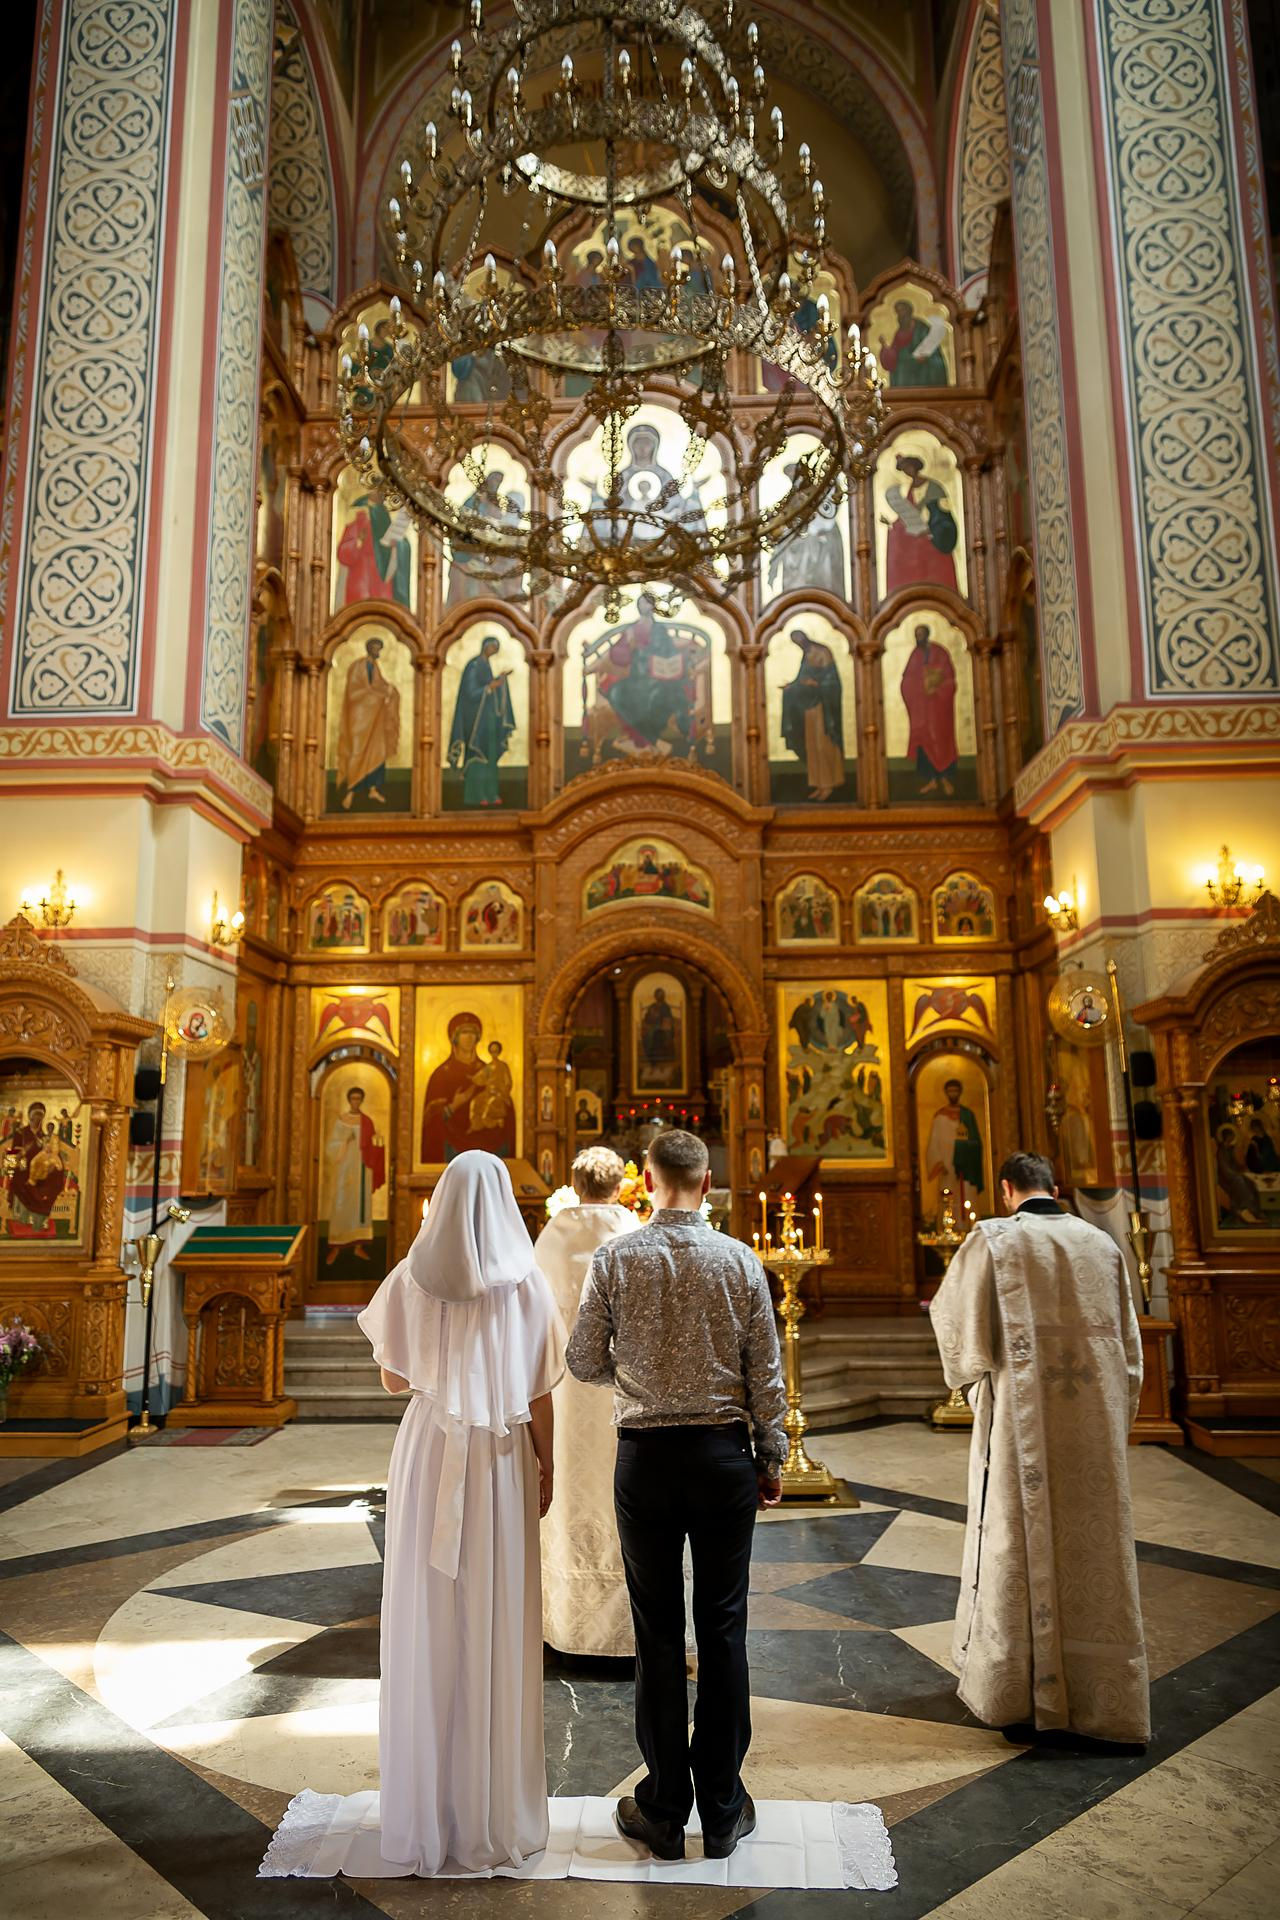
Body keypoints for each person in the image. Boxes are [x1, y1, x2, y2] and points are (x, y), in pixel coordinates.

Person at [260, 1153, 566, 1879]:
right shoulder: (526, 1283)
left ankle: (425, 1816)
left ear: (442, 1201)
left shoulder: (410, 1274)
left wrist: (442, 1362)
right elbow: (542, 1389)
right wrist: (546, 1464)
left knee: (429, 1616)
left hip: (430, 1450)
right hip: (499, 1454)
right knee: (495, 1615)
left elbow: (395, 1376)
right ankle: (494, 1816)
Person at [567, 1128, 787, 1862]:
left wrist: (641, 1379)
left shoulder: (617, 1257)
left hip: (648, 1460)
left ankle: (663, 1810)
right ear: (707, 1181)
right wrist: (773, 1453)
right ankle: (723, 1810)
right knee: (722, 1626)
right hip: (725, 1456)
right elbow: (767, 1371)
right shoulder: (740, 1260)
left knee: (657, 1631)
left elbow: (580, 1359)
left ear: (648, 1179)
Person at [928, 1151, 1149, 1748]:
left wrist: (976, 1386)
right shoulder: (1102, 1245)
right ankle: (1103, 1700)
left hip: (1020, 1428)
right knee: (1092, 1556)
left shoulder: (995, 1241)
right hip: (1092, 1433)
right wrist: (1107, 1424)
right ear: (1058, 1187)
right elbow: (1130, 1356)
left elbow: (958, 1338)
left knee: (1016, 1544)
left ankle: (1021, 1698)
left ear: (1006, 1190)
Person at [537, 1147, 640, 1656]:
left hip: (558, 1387)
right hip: (621, 1389)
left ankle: (562, 1622)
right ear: (621, 1186)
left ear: (574, 1186)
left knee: (568, 1489)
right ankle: (625, 1630)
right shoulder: (633, 1234)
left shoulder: (550, 1239)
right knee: (620, 1496)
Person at [447, 634, 517, 808]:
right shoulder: (474, 665)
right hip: (476, 723)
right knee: (478, 757)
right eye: (493, 646)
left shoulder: (486, 665)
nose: (495, 650)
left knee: (490, 758)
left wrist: (499, 681)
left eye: (497, 648)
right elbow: (470, 693)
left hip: (489, 722)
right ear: (485, 646)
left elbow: (489, 688)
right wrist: (489, 687)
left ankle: (491, 793)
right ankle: (476, 795)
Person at [778, 628, 846, 800]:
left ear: (805, 638)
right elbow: (802, 678)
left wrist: (816, 684)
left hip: (823, 708)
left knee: (824, 745)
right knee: (812, 746)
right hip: (809, 706)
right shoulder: (807, 654)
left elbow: (832, 681)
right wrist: (791, 687)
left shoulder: (822, 651)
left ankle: (830, 784)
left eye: (799, 640)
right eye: (796, 642)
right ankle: (818, 784)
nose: (799, 644)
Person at [336, 635, 401, 810]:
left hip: (376, 718)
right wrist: (378, 696)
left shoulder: (376, 668)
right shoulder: (357, 667)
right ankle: (350, 791)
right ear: (368, 648)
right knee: (358, 751)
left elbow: (379, 686)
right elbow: (355, 692)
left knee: (377, 750)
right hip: (360, 718)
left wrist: (390, 691)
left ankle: (373, 788)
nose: (378, 651)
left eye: (380, 648)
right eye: (375, 647)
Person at [323, 1084, 385, 1265]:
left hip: (363, 1169)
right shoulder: (341, 1120)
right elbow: (330, 1147)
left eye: (359, 1099)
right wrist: (344, 1141)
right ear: (349, 1100)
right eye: (353, 1098)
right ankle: (336, 1246)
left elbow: (373, 1144)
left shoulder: (367, 1121)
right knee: (341, 1203)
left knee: (361, 1205)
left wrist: (378, 1146)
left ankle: (359, 1246)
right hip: (345, 1169)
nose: (356, 1102)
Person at [882, 453, 959, 596]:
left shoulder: (933, 487)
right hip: (915, 542)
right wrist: (893, 524)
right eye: (904, 469)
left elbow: (943, 516)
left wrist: (930, 530)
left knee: (937, 584)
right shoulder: (909, 488)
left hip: (933, 541)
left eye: (908, 467)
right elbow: (909, 514)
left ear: (915, 466)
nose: (907, 471)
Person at [900, 622, 959, 796]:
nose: (918, 638)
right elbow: (907, 680)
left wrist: (936, 689)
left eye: (921, 634)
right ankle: (932, 780)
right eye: (916, 635)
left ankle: (945, 779)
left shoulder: (940, 653)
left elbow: (949, 678)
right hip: (921, 710)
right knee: (924, 742)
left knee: (942, 741)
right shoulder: (915, 655)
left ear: (927, 634)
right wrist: (920, 687)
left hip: (939, 708)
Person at [925, 1077, 985, 1214]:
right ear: (945, 1093)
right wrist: (939, 1163)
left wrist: (964, 1150)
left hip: (967, 1167)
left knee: (967, 1197)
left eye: (955, 1091)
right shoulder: (939, 1117)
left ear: (960, 1092)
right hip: (946, 1166)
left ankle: (969, 1229)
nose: (953, 1094)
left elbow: (977, 1142)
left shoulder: (967, 1115)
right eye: (950, 1091)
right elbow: (933, 1143)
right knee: (948, 1198)